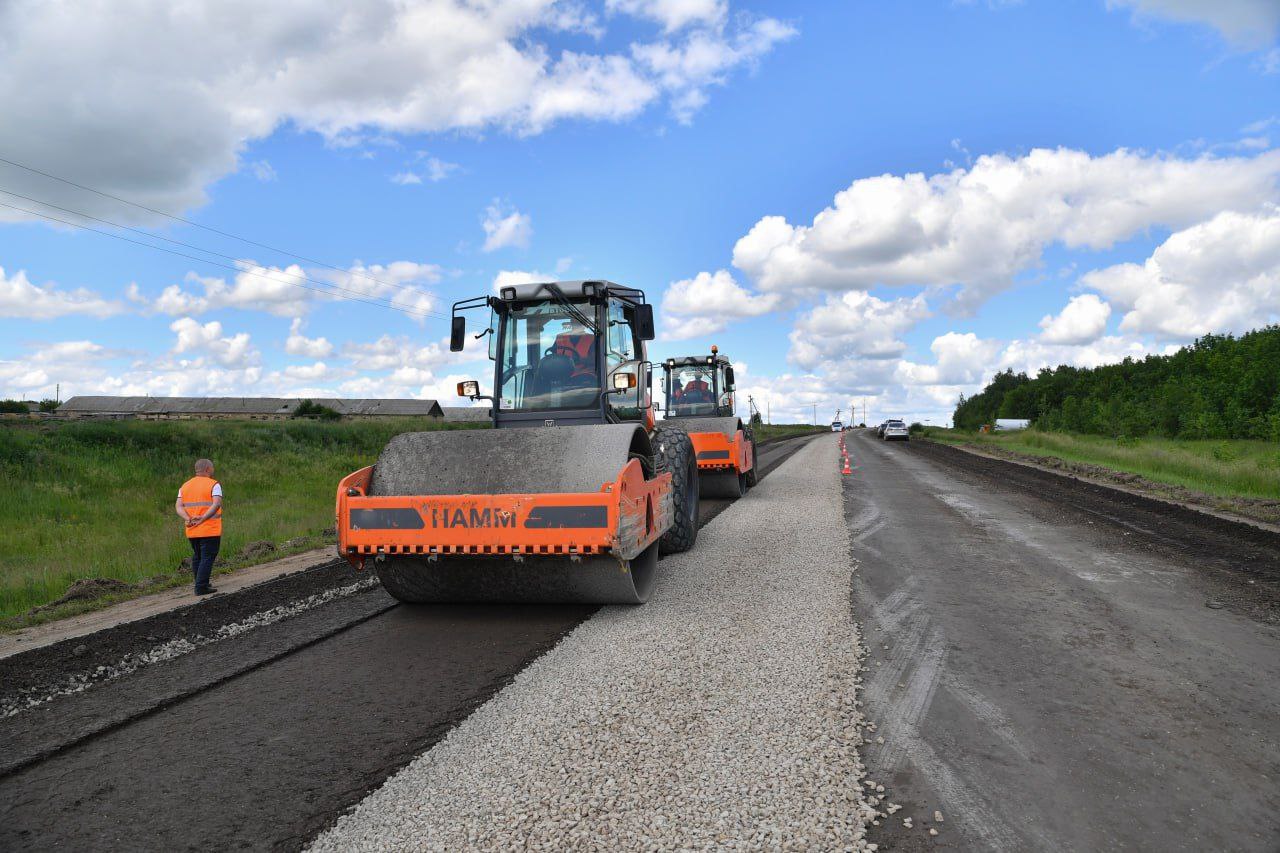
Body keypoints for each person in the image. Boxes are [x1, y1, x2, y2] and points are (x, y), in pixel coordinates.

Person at [176, 458, 223, 595]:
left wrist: (187, 518)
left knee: (198, 556)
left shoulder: (184, 486)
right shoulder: (214, 484)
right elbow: (216, 504)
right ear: (208, 469)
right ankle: (201, 586)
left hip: (192, 529)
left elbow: (178, 506)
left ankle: (200, 582)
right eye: (212, 468)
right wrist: (203, 518)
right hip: (209, 529)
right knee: (208, 556)